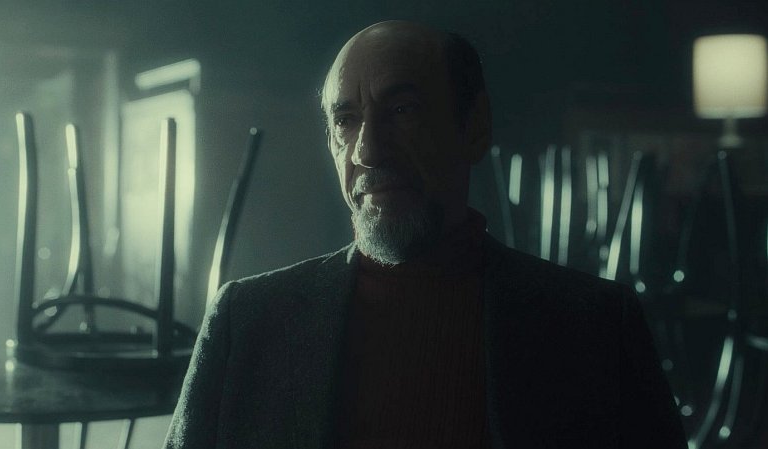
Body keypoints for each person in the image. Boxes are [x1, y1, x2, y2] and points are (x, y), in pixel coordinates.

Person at [164, 20, 687, 449]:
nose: (368, 150)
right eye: (346, 120)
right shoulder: (246, 323)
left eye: (402, 110)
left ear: (474, 126)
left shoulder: (594, 328)